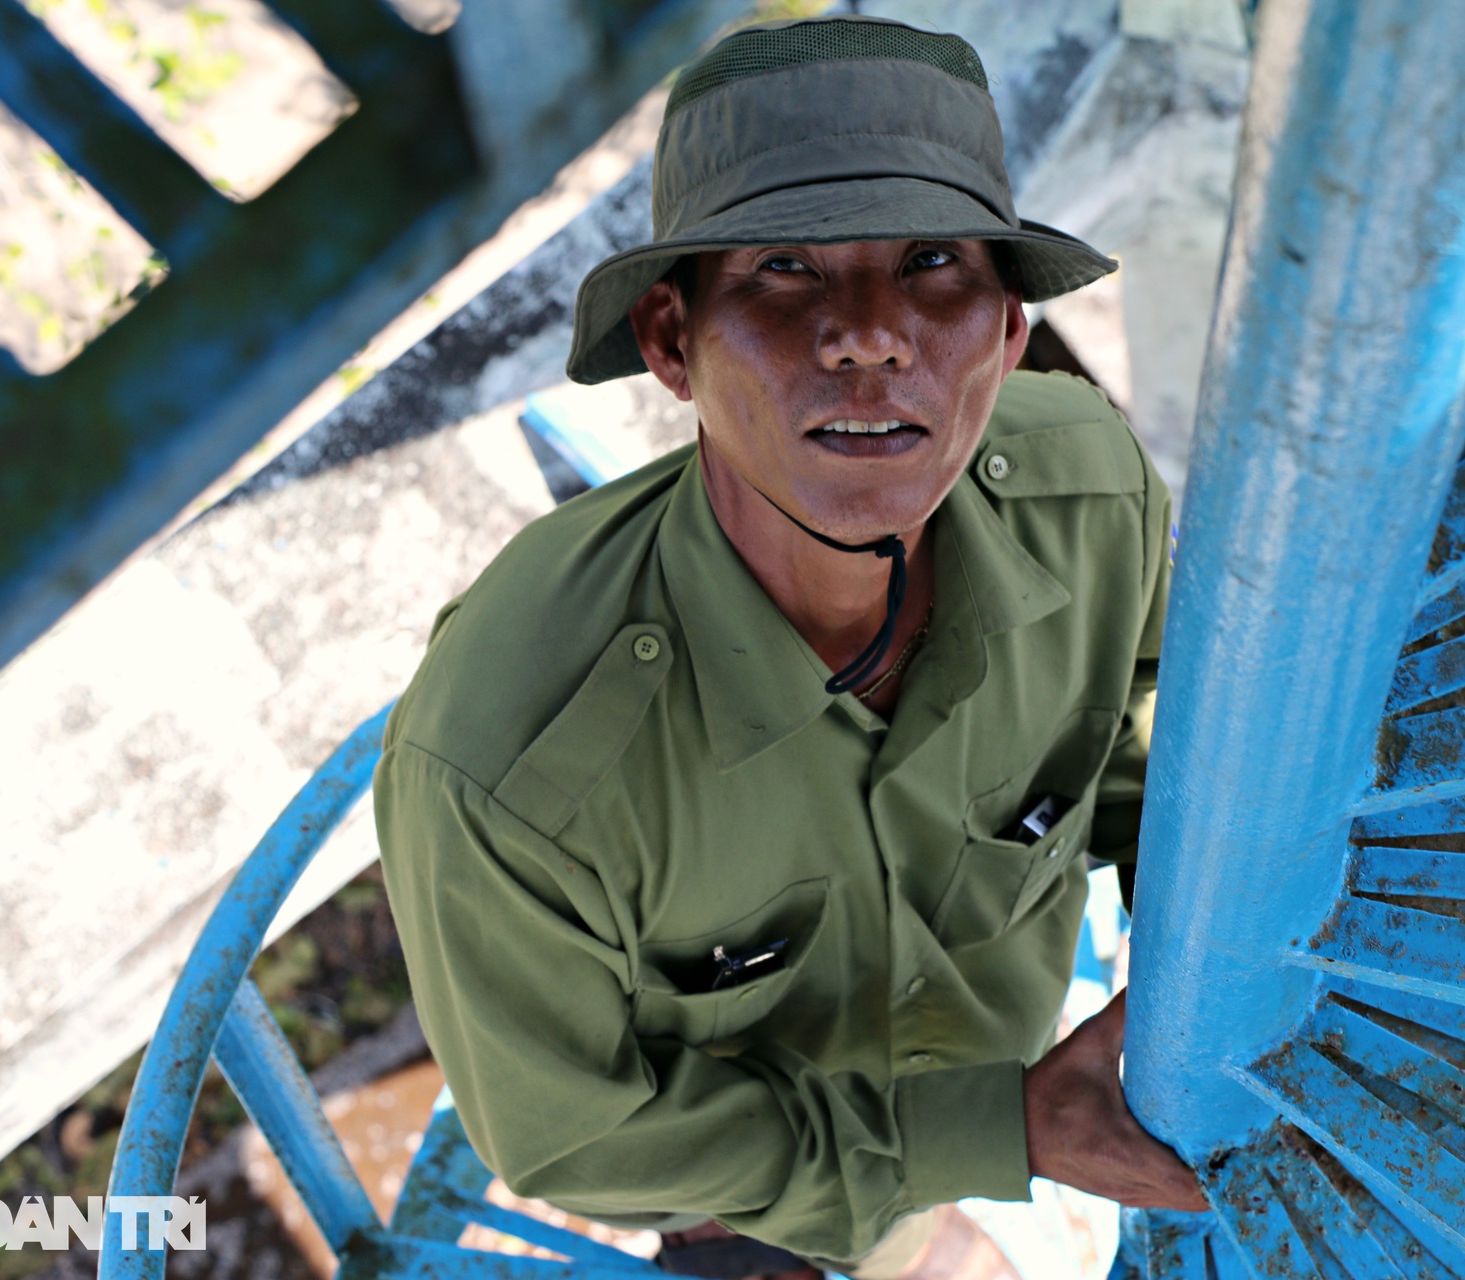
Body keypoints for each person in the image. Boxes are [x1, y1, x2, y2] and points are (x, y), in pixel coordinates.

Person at [375, 15, 1206, 1280]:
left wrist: (1200, 964)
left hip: (1033, 1057)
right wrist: (999, 1129)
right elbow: (581, 1132)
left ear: (1009, 334)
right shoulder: (510, 764)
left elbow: (1155, 747)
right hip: (760, 1182)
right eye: (782, 269)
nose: (870, 334)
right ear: (670, 340)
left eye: (932, 261)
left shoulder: (1091, 499)